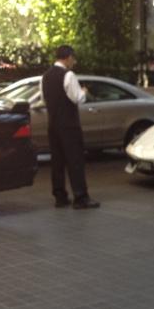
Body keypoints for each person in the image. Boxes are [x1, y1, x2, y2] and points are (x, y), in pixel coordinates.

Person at [41, 45, 100, 209]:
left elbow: (44, 99)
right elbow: (77, 98)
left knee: (57, 161)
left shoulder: (45, 76)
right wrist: (84, 91)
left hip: (53, 125)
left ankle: (60, 196)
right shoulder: (68, 75)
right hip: (69, 125)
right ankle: (81, 197)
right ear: (67, 57)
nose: (74, 61)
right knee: (75, 160)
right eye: (73, 58)